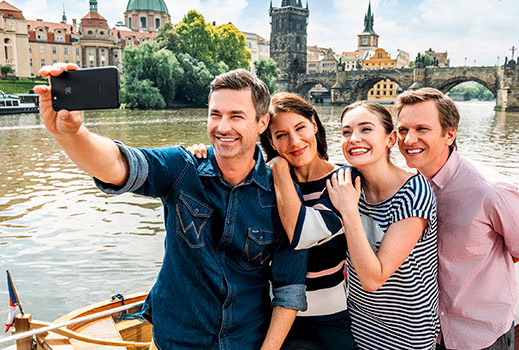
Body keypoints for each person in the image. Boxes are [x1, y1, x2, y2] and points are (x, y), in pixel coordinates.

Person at [33, 64, 308, 350]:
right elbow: (119, 165)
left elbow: (289, 292)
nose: (223, 127)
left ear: (262, 123)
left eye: (236, 116)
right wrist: (72, 134)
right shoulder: (182, 167)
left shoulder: (283, 195)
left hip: (246, 342)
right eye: (215, 115)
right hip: (176, 342)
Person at [189, 92, 357, 349]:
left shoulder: (344, 179)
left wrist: (278, 167)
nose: (294, 141)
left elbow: (302, 234)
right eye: (281, 135)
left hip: (330, 320)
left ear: (314, 124)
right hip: (271, 318)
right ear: (270, 140)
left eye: (300, 128)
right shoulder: (264, 182)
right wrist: (202, 156)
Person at [394, 87, 519, 350]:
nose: (408, 140)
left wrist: (473, 274)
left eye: (422, 129)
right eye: (403, 130)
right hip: (422, 330)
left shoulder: (491, 190)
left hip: (478, 332)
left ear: (449, 134)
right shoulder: (403, 186)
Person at [326, 101, 440, 349]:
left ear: (390, 139)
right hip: (359, 324)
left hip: (408, 333)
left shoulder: (414, 191)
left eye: (366, 129)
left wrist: (348, 210)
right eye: (346, 132)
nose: (354, 138)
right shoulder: (348, 183)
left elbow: (373, 279)